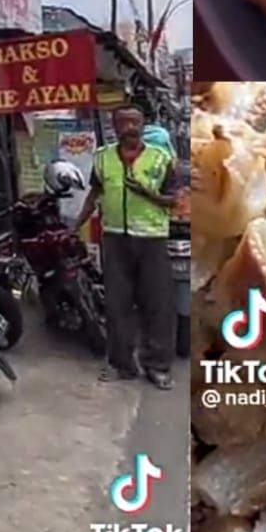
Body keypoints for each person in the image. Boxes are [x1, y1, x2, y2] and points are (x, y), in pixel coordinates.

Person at [75, 105, 180, 389]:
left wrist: (148, 193)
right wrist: (77, 224)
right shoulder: (102, 158)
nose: (128, 127)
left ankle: (157, 365)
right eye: (122, 122)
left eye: (134, 121)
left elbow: (174, 199)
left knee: (156, 304)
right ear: (114, 125)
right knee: (116, 304)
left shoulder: (160, 158)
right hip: (115, 239)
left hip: (151, 239)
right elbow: (95, 193)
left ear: (143, 124)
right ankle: (121, 363)